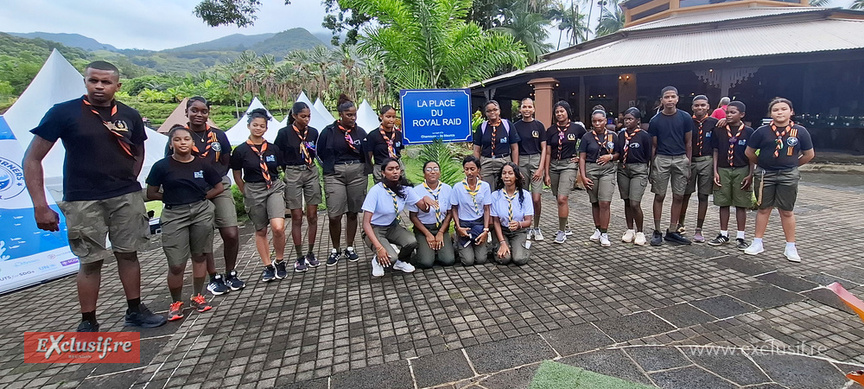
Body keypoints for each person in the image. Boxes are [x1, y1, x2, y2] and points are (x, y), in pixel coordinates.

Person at [24, 60, 166, 331]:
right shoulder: (63, 113)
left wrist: (129, 180)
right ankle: (88, 320)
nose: (99, 86)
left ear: (117, 85)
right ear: (86, 81)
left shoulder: (129, 115)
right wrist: (40, 205)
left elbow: (138, 150)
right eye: (93, 80)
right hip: (82, 198)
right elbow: (32, 159)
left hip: (125, 195)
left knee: (129, 254)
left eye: (106, 82)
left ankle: (135, 309)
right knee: (90, 261)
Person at [165, 96, 244, 296]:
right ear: (187, 112)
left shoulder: (218, 136)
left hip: (218, 187)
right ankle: (213, 277)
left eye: (203, 111)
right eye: (194, 110)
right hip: (193, 191)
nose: (199, 114)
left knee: (231, 233)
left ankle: (231, 272)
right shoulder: (179, 136)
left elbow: (226, 159)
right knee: (204, 235)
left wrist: (214, 179)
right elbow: (170, 163)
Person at [147, 126, 224, 320]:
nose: (183, 143)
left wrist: (203, 198)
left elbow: (219, 186)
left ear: (192, 142)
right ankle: (176, 302)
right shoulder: (162, 166)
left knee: (199, 256)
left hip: (200, 211)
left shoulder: (202, 164)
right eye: (178, 139)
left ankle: (198, 296)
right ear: (171, 143)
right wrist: (172, 197)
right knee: (176, 263)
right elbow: (151, 192)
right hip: (174, 214)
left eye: (187, 139)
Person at [744, 98, 814, 262]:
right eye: (776, 110)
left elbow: (809, 154)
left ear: (791, 111)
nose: (780, 112)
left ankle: (790, 246)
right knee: (763, 208)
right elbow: (749, 152)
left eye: (783, 109)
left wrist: (792, 165)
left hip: (788, 175)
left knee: (787, 211)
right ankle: (757, 242)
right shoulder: (761, 131)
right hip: (765, 174)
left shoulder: (800, 131)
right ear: (771, 113)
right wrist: (761, 164)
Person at [231, 108, 287, 282]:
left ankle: (280, 260)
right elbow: (236, 173)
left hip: (273, 187)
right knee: (261, 229)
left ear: (266, 128)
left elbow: (280, 168)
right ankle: (267, 265)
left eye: (262, 126)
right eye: (255, 125)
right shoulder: (241, 151)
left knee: (278, 226)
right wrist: (244, 190)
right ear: (248, 126)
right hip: (253, 189)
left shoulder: (273, 148)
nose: (258, 128)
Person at [318, 94, 369, 266]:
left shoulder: (360, 132)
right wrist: (330, 169)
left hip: (357, 173)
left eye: (354, 114)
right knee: (334, 215)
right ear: (340, 114)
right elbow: (319, 152)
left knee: (353, 212)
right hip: (335, 174)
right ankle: (335, 249)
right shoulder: (328, 132)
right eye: (349, 115)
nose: (353, 118)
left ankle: (349, 247)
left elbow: (366, 152)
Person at [274, 102, 322, 272]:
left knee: (313, 215)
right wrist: (285, 172)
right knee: (296, 216)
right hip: (293, 172)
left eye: (309, 116)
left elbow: (317, 152)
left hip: (310, 171)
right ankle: (299, 255)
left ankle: (310, 252)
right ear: (294, 116)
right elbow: (277, 154)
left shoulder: (314, 132)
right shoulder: (284, 133)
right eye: (303, 116)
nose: (307, 119)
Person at [362, 159, 431, 277]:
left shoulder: (405, 189)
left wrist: (426, 199)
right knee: (391, 257)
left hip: (392, 226)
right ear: (383, 173)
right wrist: (379, 248)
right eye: (390, 169)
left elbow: (424, 208)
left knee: (411, 242)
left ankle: (399, 261)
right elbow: (366, 223)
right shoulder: (376, 191)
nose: (395, 172)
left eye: (397, 169)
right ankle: (378, 260)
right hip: (375, 228)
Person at [648, 86, 694, 246]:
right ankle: (657, 230)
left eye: (672, 97)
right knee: (659, 195)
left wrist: (688, 164)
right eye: (666, 97)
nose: (669, 100)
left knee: (679, 195)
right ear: (661, 100)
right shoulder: (655, 120)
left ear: (677, 99)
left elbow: (688, 142)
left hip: (680, 158)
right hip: (662, 158)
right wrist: (652, 167)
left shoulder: (685, 117)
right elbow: (653, 145)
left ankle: (673, 230)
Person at [708, 101, 754, 250]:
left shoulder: (749, 132)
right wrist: (715, 171)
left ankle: (741, 237)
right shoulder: (719, 130)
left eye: (732, 112)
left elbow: (752, 155)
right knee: (723, 202)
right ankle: (723, 234)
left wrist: (750, 174)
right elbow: (715, 150)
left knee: (741, 204)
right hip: (723, 168)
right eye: (727, 112)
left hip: (742, 169)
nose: (728, 115)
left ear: (742, 114)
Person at [543, 101, 586, 244]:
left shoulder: (577, 128)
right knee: (557, 197)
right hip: (554, 165)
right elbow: (548, 152)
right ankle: (566, 226)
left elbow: (588, 142)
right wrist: (546, 172)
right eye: (557, 112)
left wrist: (580, 157)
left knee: (562, 198)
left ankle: (561, 232)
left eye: (562, 111)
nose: (559, 114)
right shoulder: (550, 131)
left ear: (568, 112)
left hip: (569, 165)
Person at [679, 95, 719, 243]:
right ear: (692, 107)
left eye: (703, 105)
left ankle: (699, 229)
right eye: (696, 105)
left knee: (703, 196)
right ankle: (680, 224)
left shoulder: (715, 123)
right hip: (690, 160)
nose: (699, 108)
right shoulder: (687, 122)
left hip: (706, 161)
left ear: (708, 106)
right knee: (685, 194)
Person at [579, 110, 620, 247]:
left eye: (600, 121)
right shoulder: (587, 137)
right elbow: (582, 158)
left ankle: (604, 233)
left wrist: (610, 156)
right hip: (591, 169)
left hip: (607, 170)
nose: (597, 123)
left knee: (605, 202)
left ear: (605, 121)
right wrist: (583, 176)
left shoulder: (613, 136)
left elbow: (618, 153)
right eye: (594, 121)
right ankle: (597, 229)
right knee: (595, 202)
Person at [408, 161, 456, 268]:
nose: (432, 172)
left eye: (435, 169)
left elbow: (449, 213)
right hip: (423, 229)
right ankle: (422, 250)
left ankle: (442, 248)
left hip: (441, 228)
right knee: (426, 263)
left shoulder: (447, 189)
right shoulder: (416, 191)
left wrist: (441, 232)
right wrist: (428, 234)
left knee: (448, 260)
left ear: (440, 173)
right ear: (424, 174)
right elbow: (413, 216)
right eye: (428, 170)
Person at [616, 107, 652, 246]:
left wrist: (649, 171)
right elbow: (619, 151)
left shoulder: (644, 135)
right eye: (625, 119)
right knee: (626, 201)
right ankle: (629, 229)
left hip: (639, 169)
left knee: (634, 203)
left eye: (630, 119)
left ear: (638, 121)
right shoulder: (621, 135)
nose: (627, 121)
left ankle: (640, 232)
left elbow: (649, 154)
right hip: (623, 169)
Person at [513, 98, 547, 241]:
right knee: (522, 197)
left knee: (536, 198)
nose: (526, 109)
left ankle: (536, 227)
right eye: (524, 107)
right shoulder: (515, 126)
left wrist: (541, 168)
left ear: (533, 109)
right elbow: (514, 147)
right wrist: (516, 169)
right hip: (521, 161)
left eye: (529, 107)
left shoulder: (539, 126)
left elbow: (544, 148)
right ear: (520, 109)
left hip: (536, 160)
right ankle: (524, 227)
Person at [452, 156, 492, 266]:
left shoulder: (485, 186)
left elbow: (487, 209)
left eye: (472, 169)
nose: (469, 172)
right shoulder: (458, 187)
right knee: (468, 261)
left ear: (478, 169)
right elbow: (454, 208)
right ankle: (458, 242)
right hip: (464, 224)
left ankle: (479, 242)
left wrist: (486, 230)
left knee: (481, 260)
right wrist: (458, 227)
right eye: (466, 169)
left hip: (479, 223)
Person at [490, 162, 534, 265]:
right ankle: (497, 246)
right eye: (504, 173)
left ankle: (524, 247)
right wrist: (502, 242)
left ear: (516, 176)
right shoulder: (495, 195)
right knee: (504, 259)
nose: (507, 176)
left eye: (510, 173)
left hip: (518, 231)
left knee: (519, 259)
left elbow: (528, 221)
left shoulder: (525, 195)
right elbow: (496, 222)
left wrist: (519, 224)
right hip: (502, 230)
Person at [473, 100, 520, 189]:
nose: (492, 112)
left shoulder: (507, 125)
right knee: (486, 190)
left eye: (495, 110)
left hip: (503, 161)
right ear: (485, 113)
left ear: (499, 111)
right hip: (486, 162)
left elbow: (514, 148)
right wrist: (477, 168)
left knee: (504, 189)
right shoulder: (482, 127)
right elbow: (476, 150)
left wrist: (515, 167)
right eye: (489, 111)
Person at [364, 105, 405, 182]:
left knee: (400, 190)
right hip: (381, 168)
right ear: (381, 117)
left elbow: (400, 150)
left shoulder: (399, 134)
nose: (391, 120)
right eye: (388, 117)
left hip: (397, 167)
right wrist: (374, 168)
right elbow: (369, 156)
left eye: (393, 117)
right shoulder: (373, 135)